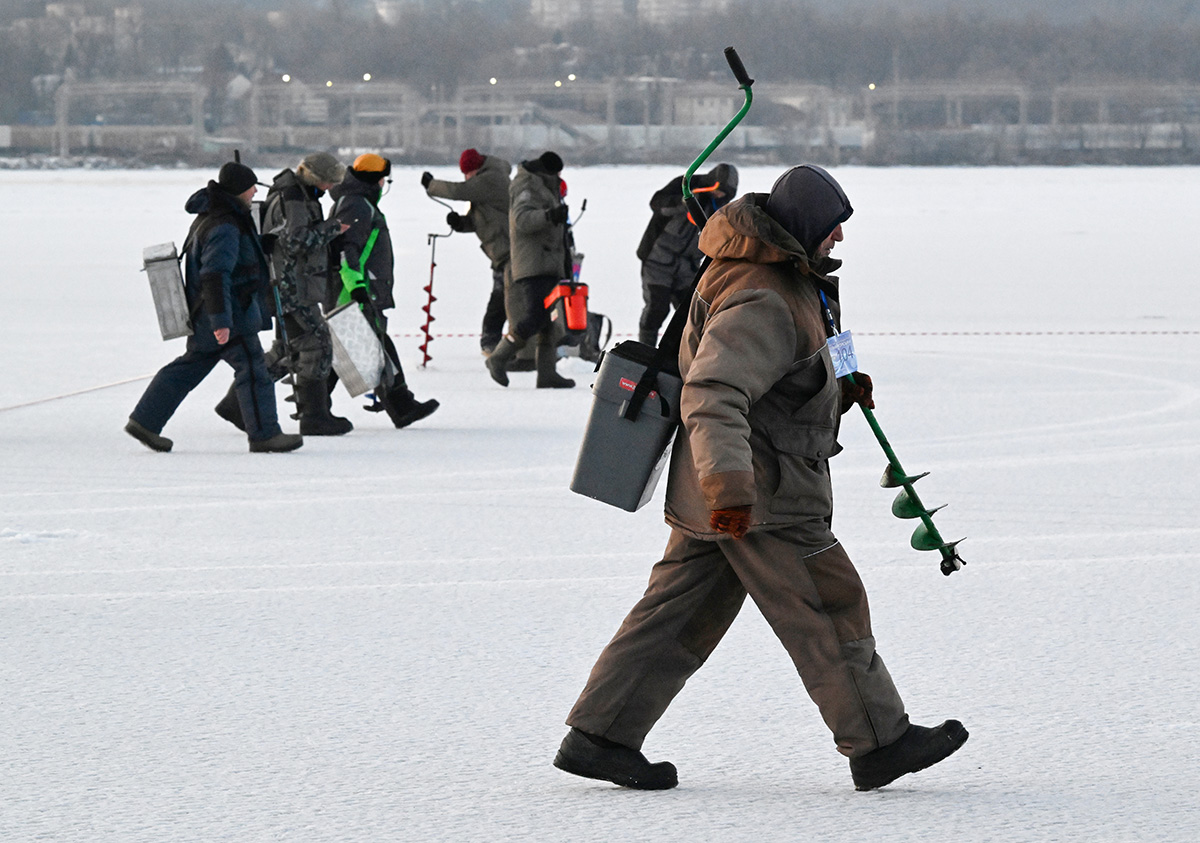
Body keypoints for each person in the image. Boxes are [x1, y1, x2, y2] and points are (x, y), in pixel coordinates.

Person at [553, 164, 967, 792]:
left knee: (676, 614)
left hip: (729, 488)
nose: (840, 241)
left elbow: (801, 354)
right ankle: (880, 741)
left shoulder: (788, 277)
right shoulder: (764, 295)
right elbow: (714, 393)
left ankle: (599, 736)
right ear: (803, 227)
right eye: (833, 229)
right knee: (828, 605)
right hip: (759, 495)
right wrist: (731, 492)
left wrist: (839, 384)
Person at [125, 161, 302, 454]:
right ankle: (265, 435)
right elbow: (215, 273)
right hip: (231, 314)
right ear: (238, 191)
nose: (255, 191)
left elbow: (234, 257)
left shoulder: (220, 217)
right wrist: (222, 321)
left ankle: (144, 421)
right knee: (254, 369)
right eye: (251, 187)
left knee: (188, 367)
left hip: (214, 313)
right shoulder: (225, 224)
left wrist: (262, 244)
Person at [213, 152, 353, 436]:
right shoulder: (294, 197)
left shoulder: (293, 192)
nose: (328, 189)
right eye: (327, 183)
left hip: (284, 284)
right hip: (291, 285)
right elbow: (295, 240)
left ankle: (236, 403)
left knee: (286, 349)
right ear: (314, 177)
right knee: (318, 343)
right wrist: (333, 228)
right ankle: (314, 416)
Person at [327, 153, 439, 428]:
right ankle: (401, 405)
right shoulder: (356, 206)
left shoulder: (356, 202)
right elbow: (346, 250)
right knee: (366, 346)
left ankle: (399, 405)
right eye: (383, 179)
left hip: (361, 288)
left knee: (348, 349)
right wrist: (358, 288)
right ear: (376, 180)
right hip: (354, 291)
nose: (383, 185)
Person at [484, 150, 575, 389]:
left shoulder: (543, 185)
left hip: (548, 263)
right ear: (548, 171)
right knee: (535, 317)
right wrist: (549, 215)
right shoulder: (526, 186)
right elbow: (522, 219)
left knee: (548, 321)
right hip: (533, 264)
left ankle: (547, 373)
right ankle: (499, 357)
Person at [421, 148, 512, 355]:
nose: (465, 177)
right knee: (504, 298)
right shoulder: (485, 184)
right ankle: (496, 343)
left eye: (467, 173)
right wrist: (461, 223)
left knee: (503, 299)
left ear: (475, 169)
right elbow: (481, 219)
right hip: (501, 250)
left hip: (509, 250)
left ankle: (493, 344)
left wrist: (431, 185)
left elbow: (458, 191)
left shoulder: (491, 179)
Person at [636, 163, 738, 346]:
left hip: (688, 267)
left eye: (724, 194)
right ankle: (644, 351)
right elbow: (657, 204)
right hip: (658, 260)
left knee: (691, 313)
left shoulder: (720, 209)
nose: (719, 195)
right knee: (657, 308)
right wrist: (683, 203)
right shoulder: (686, 184)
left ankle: (677, 355)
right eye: (717, 190)